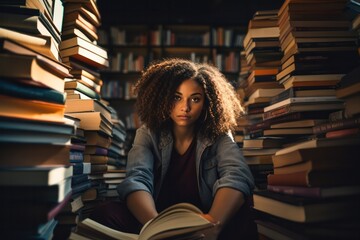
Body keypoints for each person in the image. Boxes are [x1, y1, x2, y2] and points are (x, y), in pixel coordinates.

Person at [90, 58, 257, 239]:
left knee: (247, 216)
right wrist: (157, 228)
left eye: (195, 99)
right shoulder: (148, 133)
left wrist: (213, 224)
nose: (185, 107)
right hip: (156, 217)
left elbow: (237, 175)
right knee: (105, 213)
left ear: (207, 103)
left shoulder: (219, 134)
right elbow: (137, 179)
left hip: (203, 219)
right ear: (163, 98)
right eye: (176, 98)